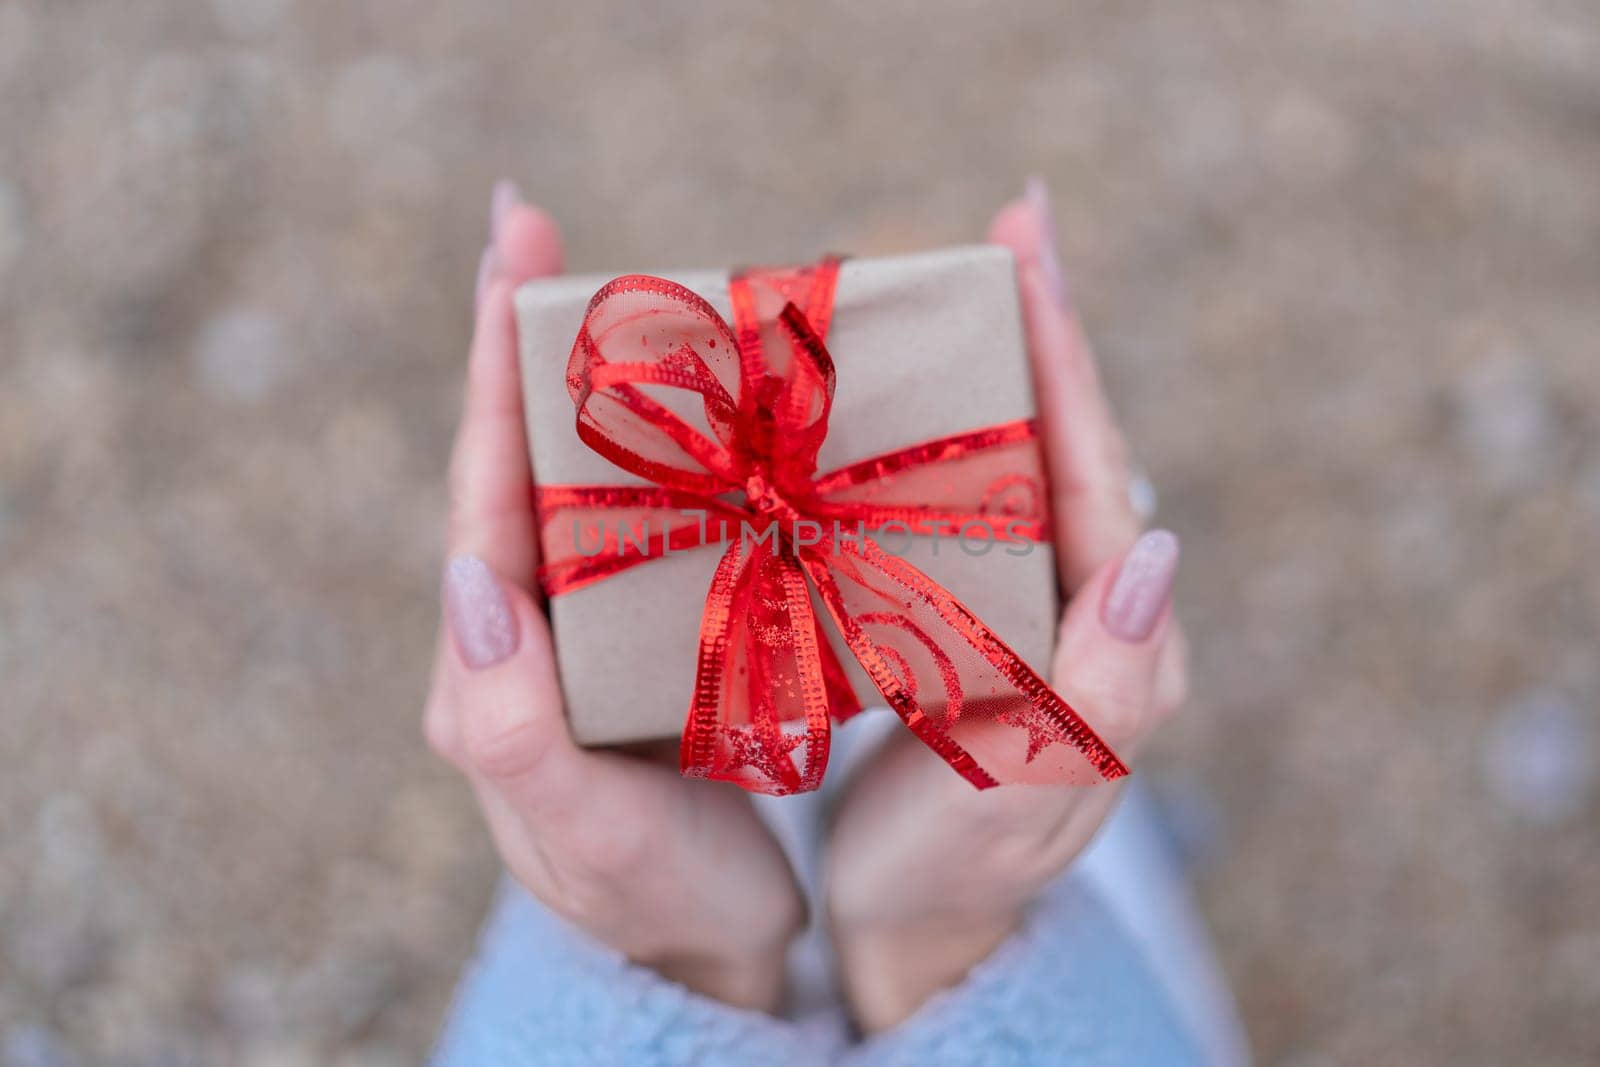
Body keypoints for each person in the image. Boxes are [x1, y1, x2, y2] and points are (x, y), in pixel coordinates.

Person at [424, 179, 1246, 1065]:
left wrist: (674, 948)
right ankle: (902, 732)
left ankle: (825, 734)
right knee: (1043, 773)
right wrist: (945, 933)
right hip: (908, 626)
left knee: (763, 685)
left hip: (739, 649)